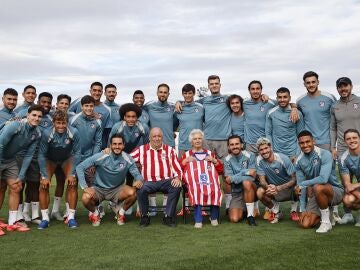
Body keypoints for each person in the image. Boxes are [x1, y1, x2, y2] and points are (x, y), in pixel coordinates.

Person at [77, 134, 143, 226]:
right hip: (99, 189)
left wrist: (139, 180)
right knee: (85, 198)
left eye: (120, 144)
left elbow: (137, 174)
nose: (117, 146)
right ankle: (96, 214)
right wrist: (85, 187)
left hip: (117, 189)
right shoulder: (102, 155)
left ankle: (120, 213)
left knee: (133, 193)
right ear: (110, 145)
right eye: (114, 144)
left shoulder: (127, 158)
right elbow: (80, 167)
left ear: (123, 145)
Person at [0, 105, 43, 235]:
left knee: (16, 187)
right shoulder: (15, 126)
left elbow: (29, 154)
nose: (36, 118)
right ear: (28, 115)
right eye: (34, 115)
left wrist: (22, 174)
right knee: (0, 187)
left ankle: (13, 223)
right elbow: (1, 144)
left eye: (39, 116)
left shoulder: (37, 133)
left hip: (10, 160)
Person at [37, 110, 81, 229]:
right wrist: (44, 176)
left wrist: (72, 173)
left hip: (67, 159)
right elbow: (41, 154)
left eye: (63, 123)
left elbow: (77, 153)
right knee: (43, 185)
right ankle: (45, 218)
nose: (61, 126)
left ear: (67, 122)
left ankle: (71, 217)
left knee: (72, 182)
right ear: (53, 122)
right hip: (50, 159)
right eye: (58, 123)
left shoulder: (74, 132)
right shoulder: (47, 133)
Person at [131, 127, 182, 227]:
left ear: (162, 137)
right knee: (140, 188)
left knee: (177, 186)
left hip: (166, 181)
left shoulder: (170, 150)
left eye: (159, 136)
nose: (157, 138)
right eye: (154, 136)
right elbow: (127, 160)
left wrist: (177, 178)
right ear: (149, 138)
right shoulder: (141, 150)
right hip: (148, 182)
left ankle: (168, 216)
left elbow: (177, 167)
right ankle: (145, 216)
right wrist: (137, 177)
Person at [295, 130, 343, 233]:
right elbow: (301, 189)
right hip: (317, 195)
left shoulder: (324, 154)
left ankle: (326, 223)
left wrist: (303, 184)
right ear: (299, 144)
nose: (305, 145)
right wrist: (302, 209)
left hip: (335, 191)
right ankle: (328, 213)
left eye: (308, 141)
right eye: (302, 143)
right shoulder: (299, 161)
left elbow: (323, 179)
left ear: (313, 141)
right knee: (305, 223)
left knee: (318, 186)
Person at [330, 77, 360, 224]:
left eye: (345, 86)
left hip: (358, 147)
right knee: (345, 183)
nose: (343, 89)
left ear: (351, 86)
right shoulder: (335, 106)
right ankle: (347, 213)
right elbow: (333, 128)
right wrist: (333, 147)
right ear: (337, 89)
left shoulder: (358, 101)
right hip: (343, 149)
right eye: (340, 87)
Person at [180, 129, 223, 228]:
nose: (197, 140)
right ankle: (198, 219)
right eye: (195, 139)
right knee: (197, 188)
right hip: (194, 182)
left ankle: (214, 217)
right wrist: (185, 161)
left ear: (202, 140)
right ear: (191, 141)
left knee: (215, 189)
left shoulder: (210, 154)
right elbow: (179, 169)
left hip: (209, 181)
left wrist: (214, 160)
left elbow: (220, 170)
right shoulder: (186, 155)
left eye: (199, 138)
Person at [255, 137, 299, 223]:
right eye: (261, 150)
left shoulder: (283, 158)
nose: (264, 151)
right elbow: (262, 180)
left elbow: (294, 179)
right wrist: (270, 188)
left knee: (298, 187)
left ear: (270, 147)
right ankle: (276, 212)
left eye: (266, 148)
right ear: (258, 151)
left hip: (289, 188)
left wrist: (278, 188)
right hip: (274, 189)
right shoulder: (258, 160)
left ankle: (293, 210)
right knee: (259, 192)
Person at [224, 135, 257, 226]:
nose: (235, 146)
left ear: (241, 145)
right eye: (232, 144)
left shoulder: (250, 155)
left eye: (237, 144)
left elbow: (252, 176)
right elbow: (228, 180)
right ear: (229, 147)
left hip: (252, 189)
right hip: (237, 193)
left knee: (246, 182)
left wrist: (235, 177)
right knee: (234, 219)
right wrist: (245, 172)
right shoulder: (227, 160)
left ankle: (250, 216)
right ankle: (245, 209)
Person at [265, 87, 304, 160]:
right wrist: (271, 152)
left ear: (289, 98)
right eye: (280, 97)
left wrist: (297, 154)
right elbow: (268, 134)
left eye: (285, 97)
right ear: (277, 98)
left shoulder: (297, 113)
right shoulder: (270, 113)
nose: (282, 100)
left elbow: (301, 135)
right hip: (277, 154)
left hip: (293, 154)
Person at [69, 82, 111, 149]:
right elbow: (67, 111)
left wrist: (106, 148)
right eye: (94, 90)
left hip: (94, 147)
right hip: (76, 147)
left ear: (102, 92)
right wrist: (81, 116)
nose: (97, 93)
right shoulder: (79, 101)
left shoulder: (107, 110)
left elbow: (107, 132)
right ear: (90, 91)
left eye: (99, 91)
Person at [338, 129, 360, 226]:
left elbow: (352, 186)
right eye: (348, 139)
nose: (352, 141)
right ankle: (349, 215)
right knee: (348, 199)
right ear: (345, 141)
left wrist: (355, 186)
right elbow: (347, 184)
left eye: (354, 138)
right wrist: (357, 194)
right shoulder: (343, 158)